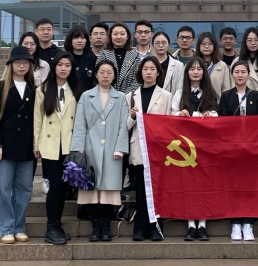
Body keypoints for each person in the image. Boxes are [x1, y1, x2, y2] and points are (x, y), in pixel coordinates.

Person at [69, 60, 129, 242]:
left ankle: (106, 226)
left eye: (109, 72)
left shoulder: (121, 98)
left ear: (114, 75)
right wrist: (78, 150)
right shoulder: (86, 96)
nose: (105, 75)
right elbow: (80, 125)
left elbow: (123, 126)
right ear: (96, 74)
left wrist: (120, 148)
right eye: (102, 72)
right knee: (91, 190)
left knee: (109, 190)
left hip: (112, 150)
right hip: (90, 149)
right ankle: (95, 226)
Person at [33, 51, 84, 245]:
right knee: (55, 186)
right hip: (50, 145)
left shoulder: (76, 90)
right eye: (60, 65)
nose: (63, 68)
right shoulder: (43, 90)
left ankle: (57, 224)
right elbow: (37, 120)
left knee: (63, 187)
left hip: (69, 145)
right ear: (54, 67)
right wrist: (35, 144)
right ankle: (51, 227)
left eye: (67, 65)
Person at [0, 46, 36, 244]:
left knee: (24, 188)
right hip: (5, 145)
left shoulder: (34, 88)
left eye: (25, 63)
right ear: (11, 65)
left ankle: (19, 226)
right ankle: (5, 228)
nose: (22, 66)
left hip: (27, 145)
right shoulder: (0, 86)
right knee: (4, 187)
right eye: (18, 62)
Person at [171, 57, 219, 242]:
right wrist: (180, 114)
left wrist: (210, 115)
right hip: (185, 148)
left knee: (204, 184)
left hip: (205, 147)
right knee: (188, 185)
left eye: (199, 69)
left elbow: (217, 115)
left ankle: (203, 225)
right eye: (192, 69)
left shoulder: (210, 92)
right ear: (187, 72)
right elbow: (170, 116)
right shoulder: (179, 94)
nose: (196, 72)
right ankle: (191, 225)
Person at [125, 56, 172, 242]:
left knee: (156, 192)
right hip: (139, 148)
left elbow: (169, 123)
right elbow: (125, 126)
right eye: (145, 69)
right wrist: (132, 117)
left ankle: (156, 229)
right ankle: (139, 228)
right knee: (140, 191)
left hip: (158, 150)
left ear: (158, 73)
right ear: (140, 72)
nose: (149, 72)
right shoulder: (131, 96)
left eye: (152, 69)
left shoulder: (166, 96)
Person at [219, 59, 258, 242]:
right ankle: (235, 223)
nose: (240, 75)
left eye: (243, 72)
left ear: (248, 74)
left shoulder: (256, 96)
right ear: (232, 74)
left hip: (251, 148)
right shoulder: (226, 96)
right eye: (236, 72)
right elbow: (223, 122)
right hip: (232, 148)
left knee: (250, 186)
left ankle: (248, 223)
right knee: (234, 185)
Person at [96, 22, 140, 94]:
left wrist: (122, 96)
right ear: (110, 36)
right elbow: (98, 76)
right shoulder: (103, 55)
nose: (119, 37)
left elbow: (137, 80)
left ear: (127, 37)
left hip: (128, 97)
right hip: (106, 95)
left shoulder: (135, 56)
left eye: (122, 34)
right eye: (115, 34)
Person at [197, 31, 233, 98]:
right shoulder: (192, 64)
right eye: (203, 44)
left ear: (214, 46)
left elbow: (226, 90)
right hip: (195, 103)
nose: (206, 46)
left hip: (216, 103)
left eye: (210, 44)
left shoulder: (222, 65)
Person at [64, 25, 96, 91]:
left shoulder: (93, 59)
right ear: (70, 40)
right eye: (76, 38)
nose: (79, 41)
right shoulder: (64, 58)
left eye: (82, 38)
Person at [152, 31, 183, 96]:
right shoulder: (147, 64)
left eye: (164, 43)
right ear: (153, 45)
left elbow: (180, 89)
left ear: (169, 44)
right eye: (157, 43)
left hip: (171, 101)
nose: (161, 45)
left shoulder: (179, 65)